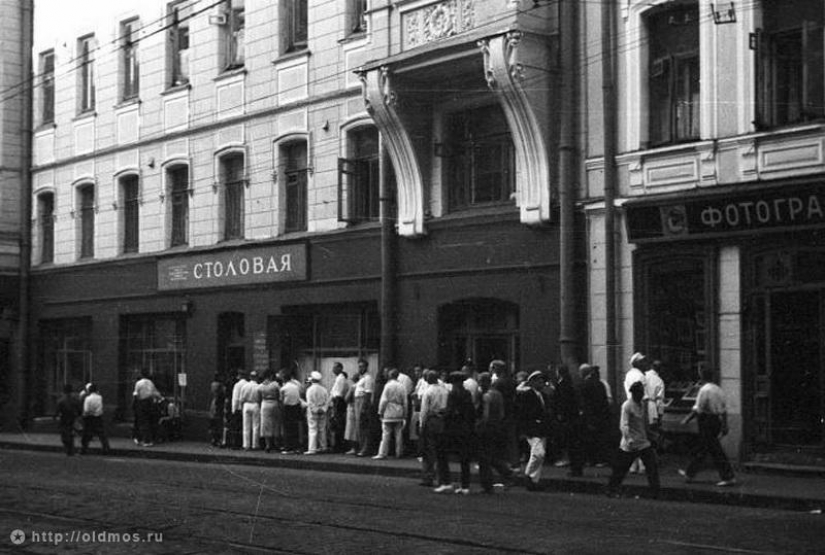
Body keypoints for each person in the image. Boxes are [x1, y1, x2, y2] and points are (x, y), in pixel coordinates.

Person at [679, 367, 737, 487]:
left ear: (702, 377)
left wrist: (687, 419)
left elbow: (698, 408)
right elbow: (724, 409)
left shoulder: (704, 390)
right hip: (716, 421)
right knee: (705, 448)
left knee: (713, 450)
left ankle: (728, 476)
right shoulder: (718, 389)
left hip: (706, 421)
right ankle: (690, 473)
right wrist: (725, 425)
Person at [606, 381, 660, 498]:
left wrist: (651, 435)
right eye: (639, 393)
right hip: (630, 443)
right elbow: (624, 425)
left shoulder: (642, 405)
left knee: (652, 467)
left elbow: (642, 424)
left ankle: (655, 491)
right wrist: (629, 439)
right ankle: (612, 488)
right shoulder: (627, 406)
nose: (641, 395)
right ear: (634, 394)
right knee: (621, 469)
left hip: (642, 441)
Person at [435, 371, 476, 494]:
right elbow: (470, 412)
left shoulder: (453, 394)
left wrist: (442, 414)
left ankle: (446, 482)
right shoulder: (467, 394)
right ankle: (465, 486)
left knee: (441, 453)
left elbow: (450, 412)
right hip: (465, 429)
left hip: (452, 429)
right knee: (464, 458)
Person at [476, 372, 513, 493]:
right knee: (492, 454)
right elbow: (502, 413)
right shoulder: (498, 394)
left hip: (486, 429)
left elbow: (485, 415)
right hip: (497, 427)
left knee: (484, 457)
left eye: (480, 381)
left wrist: (479, 425)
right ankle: (506, 472)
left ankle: (487, 484)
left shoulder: (486, 396)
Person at [517, 370, 552, 491]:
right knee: (538, 453)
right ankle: (528, 475)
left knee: (539, 455)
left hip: (542, 428)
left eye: (542, 380)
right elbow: (523, 412)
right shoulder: (527, 395)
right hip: (532, 427)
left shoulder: (544, 396)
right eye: (538, 380)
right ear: (532, 382)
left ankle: (534, 480)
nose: (541, 383)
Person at [419, 369, 449, 488]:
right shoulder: (445, 391)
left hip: (431, 421)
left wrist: (422, 425)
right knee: (441, 450)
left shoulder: (428, 391)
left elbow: (424, 411)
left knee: (429, 450)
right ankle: (442, 478)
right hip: (443, 420)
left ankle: (428, 476)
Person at [554, 365, 585, 477]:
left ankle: (575, 469)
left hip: (568, 419)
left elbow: (562, 402)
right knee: (575, 445)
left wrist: (560, 415)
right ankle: (577, 468)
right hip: (574, 418)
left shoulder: (562, 385)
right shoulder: (571, 383)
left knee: (571, 445)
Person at [579, 364, 611, 467]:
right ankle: (601, 459)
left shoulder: (585, 384)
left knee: (590, 438)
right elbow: (605, 402)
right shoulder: (601, 384)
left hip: (590, 415)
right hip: (601, 415)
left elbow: (584, 403)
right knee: (600, 438)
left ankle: (591, 459)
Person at [490, 360, 519, 470]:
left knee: (499, 440)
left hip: (500, 414)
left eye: (492, 368)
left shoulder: (498, 383)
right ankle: (514, 463)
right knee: (511, 440)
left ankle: (501, 464)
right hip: (510, 413)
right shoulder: (511, 381)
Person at [374, 368, 408, 459]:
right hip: (399, 411)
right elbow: (405, 402)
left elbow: (384, 400)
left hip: (389, 411)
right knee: (399, 434)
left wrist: (380, 411)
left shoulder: (388, 386)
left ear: (390, 375)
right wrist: (405, 414)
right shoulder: (402, 386)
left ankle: (383, 453)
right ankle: (399, 452)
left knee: (386, 433)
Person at [625, 353, 648, 473]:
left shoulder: (629, 374)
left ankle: (633, 465)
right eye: (643, 361)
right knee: (641, 436)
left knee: (631, 435)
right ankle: (642, 465)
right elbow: (644, 396)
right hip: (638, 406)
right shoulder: (641, 376)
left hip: (629, 405)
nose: (645, 363)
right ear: (638, 363)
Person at [133, 369, 162, 447]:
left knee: (143, 421)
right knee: (149, 421)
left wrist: (135, 404)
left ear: (141, 374)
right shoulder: (150, 383)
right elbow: (155, 392)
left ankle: (145, 440)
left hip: (142, 402)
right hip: (150, 402)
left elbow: (136, 394)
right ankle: (149, 439)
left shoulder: (138, 383)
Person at [353, 358, 375, 456]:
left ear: (366, 367)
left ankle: (365, 448)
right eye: (359, 366)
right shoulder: (361, 378)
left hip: (363, 401)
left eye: (362, 366)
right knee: (359, 426)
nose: (360, 368)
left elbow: (368, 393)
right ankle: (361, 447)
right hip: (357, 401)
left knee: (363, 426)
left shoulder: (368, 378)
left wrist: (364, 407)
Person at [304, 371, 330, 454]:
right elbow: (327, 401)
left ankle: (312, 449)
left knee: (312, 429)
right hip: (322, 411)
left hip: (312, 412)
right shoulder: (324, 389)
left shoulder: (309, 390)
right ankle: (323, 446)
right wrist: (323, 409)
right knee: (322, 429)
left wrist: (315, 410)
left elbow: (310, 402)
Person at [80, 383, 110, 455]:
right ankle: (106, 448)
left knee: (86, 434)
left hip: (89, 418)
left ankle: (84, 449)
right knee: (101, 435)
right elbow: (100, 408)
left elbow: (86, 410)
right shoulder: (100, 397)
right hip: (98, 417)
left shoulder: (88, 398)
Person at [55, 383, 82, 456]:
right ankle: (71, 449)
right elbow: (80, 409)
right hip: (72, 418)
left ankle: (68, 449)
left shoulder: (61, 400)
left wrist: (55, 416)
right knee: (70, 434)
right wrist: (77, 416)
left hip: (64, 419)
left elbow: (57, 411)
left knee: (64, 434)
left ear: (64, 391)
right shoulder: (75, 399)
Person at [645, 360, 666, 451]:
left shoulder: (643, 376)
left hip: (641, 405)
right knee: (652, 431)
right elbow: (660, 400)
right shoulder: (659, 381)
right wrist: (660, 414)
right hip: (652, 408)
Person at [258, 370, 282, 453]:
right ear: (271, 376)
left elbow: (258, 398)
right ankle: (276, 443)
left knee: (266, 424)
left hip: (264, 404)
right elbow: (280, 395)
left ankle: (267, 444)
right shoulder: (275, 385)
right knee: (275, 423)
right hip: (274, 403)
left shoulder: (260, 386)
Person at [329, 362, 350, 453]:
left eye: (335, 367)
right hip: (337, 402)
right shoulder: (339, 378)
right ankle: (337, 445)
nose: (333, 369)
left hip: (338, 403)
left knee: (337, 425)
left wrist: (335, 408)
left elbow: (338, 394)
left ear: (340, 368)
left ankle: (338, 446)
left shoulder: (340, 379)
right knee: (336, 426)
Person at [280, 370, 303, 454]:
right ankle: (296, 447)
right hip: (296, 407)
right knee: (295, 428)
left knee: (287, 429)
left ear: (283, 379)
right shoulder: (296, 386)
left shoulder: (283, 388)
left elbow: (281, 400)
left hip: (287, 408)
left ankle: (288, 448)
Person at [239, 371, 262, 450]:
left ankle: (246, 445)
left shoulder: (245, 386)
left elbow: (241, 399)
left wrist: (242, 408)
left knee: (246, 426)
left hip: (246, 404)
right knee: (256, 426)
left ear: (250, 377)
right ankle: (255, 445)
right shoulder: (258, 386)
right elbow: (260, 398)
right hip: (255, 404)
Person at [229, 369, 248, 449]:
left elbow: (235, 398)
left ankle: (236, 443)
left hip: (238, 408)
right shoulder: (247, 384)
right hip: (245, 406)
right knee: (245, 426)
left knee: (237, 426)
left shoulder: (237, 385)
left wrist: (233, 409)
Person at [209, 373, 226, 447]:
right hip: (218, 405)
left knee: (213, 423)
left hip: (213, 405)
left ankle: (213, 439)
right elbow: (223, 393)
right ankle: (217, 439)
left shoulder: (212, 384)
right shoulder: (220, 386)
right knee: (218, 424)